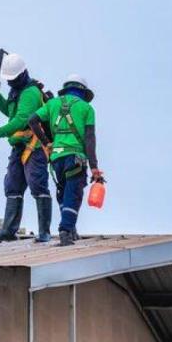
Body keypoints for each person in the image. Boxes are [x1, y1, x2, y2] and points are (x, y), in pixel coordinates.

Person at [0, 53, 52, 242]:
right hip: (18, 146)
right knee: (13, 186)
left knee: (38, 184)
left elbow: (21, 121)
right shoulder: (16, 91)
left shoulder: (30, 93)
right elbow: (9, 111)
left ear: (22, 74)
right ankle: (9, 230)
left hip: (34, 147)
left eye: (13, 79)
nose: (10, 83)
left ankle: (44, 231)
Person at [28, 74, 103, 246]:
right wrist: (94, 167)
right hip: (75, 157)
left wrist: (47, 142)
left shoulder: (52, 104)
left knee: (63, 193)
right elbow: (90, 139)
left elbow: (32, 120)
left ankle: (70, 229)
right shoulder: (87, 109)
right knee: (73, 194)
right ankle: (66, 230)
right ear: (83, 92)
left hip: (56, 158)